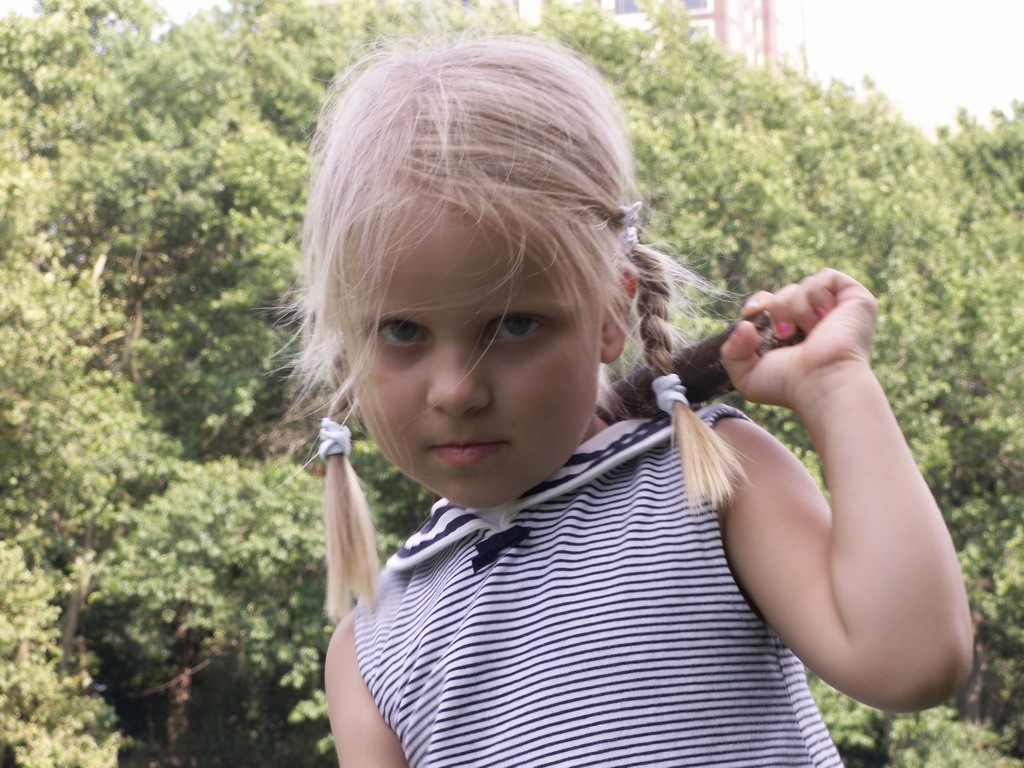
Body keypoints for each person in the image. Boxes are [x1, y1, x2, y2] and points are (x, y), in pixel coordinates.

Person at [299, 33, 973, 768]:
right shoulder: (370, 649)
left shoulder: (707, 479)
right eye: (402, 331)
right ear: (347, 345)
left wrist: (837, 387)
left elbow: (911, 661)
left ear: (612, 312)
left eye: (515, 325)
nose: (457, 389)